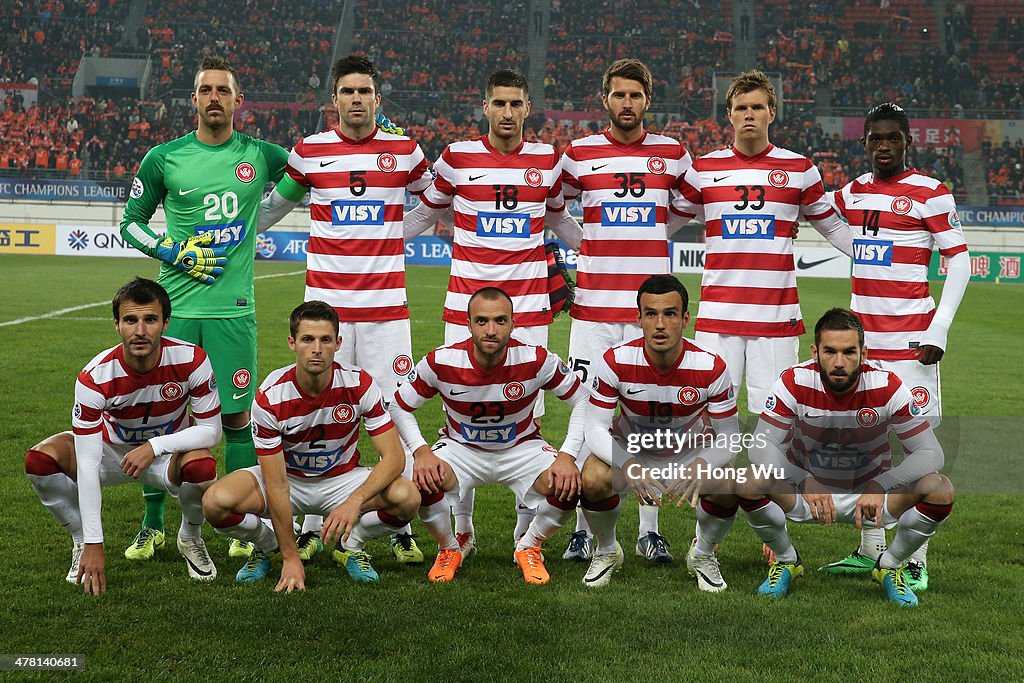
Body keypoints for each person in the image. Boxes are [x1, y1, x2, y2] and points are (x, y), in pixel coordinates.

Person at [258, 54, 433, 565]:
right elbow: (273, 206)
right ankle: (313, 522)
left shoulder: (403, 150)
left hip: (385, 310)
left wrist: (393, 237)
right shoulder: (310, 152)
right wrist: (231, 236)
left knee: (394, 406)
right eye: (348, 91)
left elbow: (435, 202)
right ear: (333, 101)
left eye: (365, 91)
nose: (357, 98)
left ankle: (395, 525)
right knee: (317, 405)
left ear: (378, 98)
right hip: (326, 313)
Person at [403, 69, 582, 555]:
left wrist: (597, 257)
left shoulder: (547, 159)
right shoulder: (458, 157)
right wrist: (376, 241)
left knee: (530, 410)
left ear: (528, 109)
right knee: (458, 405)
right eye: (499, 103)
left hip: (528, 305)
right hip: (467, 305)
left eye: (516, 104)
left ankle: (526, 533)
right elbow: (426, 213)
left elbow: (559, 216)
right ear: (485, 107)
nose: (507, 112)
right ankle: (463, 527)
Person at [119, 56, 290, 562]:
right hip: (175, 313)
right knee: (161, 424)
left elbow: (313, 166)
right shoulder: (164, 158)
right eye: (205, 90)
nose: (215, 97)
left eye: (224, 90)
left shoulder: (260, 154)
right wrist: (172, 251)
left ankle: (239, 523)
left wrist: (370, 133)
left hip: (233, 312)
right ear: (193, 100)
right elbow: (130, 222)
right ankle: (151, 525)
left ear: (239, 101)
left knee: (237, 420)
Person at [818, 102, 969, 590]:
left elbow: (960, 261)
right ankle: (869, 549)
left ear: (908, 141)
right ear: (864, 144)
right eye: (875, 139)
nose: (884, 146)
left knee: (914, 451)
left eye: (893, 138)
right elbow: (824, 218)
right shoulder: (854, 192)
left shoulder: (930, 193)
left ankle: (915, 559)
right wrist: (857, 249)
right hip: (863, 348)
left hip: (912, 346)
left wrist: (939, 327)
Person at [558, 58, 698, 564]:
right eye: (618, 95)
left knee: (647, 415)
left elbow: (691, 203)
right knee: (585, 412)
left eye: (635, 95)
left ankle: (650, 530)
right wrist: (586, 243)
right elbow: (554, 206)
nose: (627, 103)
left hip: (649, 312)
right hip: (594, 310)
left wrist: (657, 234)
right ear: (605, 99)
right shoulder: (580, 154)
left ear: (647, 99)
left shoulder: (672, 153)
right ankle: (581, 526)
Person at [738, 308, 954, 606]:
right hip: (809, 495)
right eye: (830, 351)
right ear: (815, 351)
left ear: (863, 353)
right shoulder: (794, 381)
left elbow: (931, 453)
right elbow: (760, 447)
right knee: (749, 482)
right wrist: (803, 480)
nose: (839, 362)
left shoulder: (886, 385)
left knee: (939, 489)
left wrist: (882, 484)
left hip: (871, 499)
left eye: (849, 352)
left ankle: (889, 565)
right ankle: (787, 560)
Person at [201, 301, 420, 587]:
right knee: (215, 503)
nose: (317, 348)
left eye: (325, 340)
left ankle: (351, 545)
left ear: (338, 343)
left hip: (343, 480)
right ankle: (270, 547)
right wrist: (291, 558)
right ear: (292, 343)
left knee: (408, 497)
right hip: (288, 479)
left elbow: (394, 458)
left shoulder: (360, 384)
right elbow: (277, 483)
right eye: (308, 339)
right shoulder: (270, 395)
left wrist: (354, 502)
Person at [673, 69, 853, 415]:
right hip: (718, 316)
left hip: (775, 318)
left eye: (757, 107)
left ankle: (772, 471)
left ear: (772, 111)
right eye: (741, 108)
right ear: (729, 115)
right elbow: (671, 220)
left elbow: (832, 228)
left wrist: (880, 258)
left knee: (778, 419)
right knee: (705, 416)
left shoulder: (799, 168)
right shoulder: (703, 169)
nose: (749, 114)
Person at [25, 278, 221, 595]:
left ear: (165, 323)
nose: (140, 330)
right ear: (117, 324)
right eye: (130, 320)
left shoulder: (192, 360)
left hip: (165, 456)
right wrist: (93, 541)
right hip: (109, 453)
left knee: (202, 466)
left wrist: (154, 446)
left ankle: (190, 536)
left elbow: (211, 431)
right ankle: (78, 541)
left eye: (150, 320)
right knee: (39, 460)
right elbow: (87, 463)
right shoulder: (95, 376)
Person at [389, 287, 589, 585]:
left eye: (500, 321)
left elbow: (584, 400)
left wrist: (567, 456)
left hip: (522, 448)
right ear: (468, 324)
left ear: (513, 323)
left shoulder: (537, 359)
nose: (491, 330)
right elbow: (399, 405)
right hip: (461, 449)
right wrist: (421, 451)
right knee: (424, 479)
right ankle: (448, 548)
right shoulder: (442, 361)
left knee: (567, 485)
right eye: (481, 321)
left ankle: (529, 545)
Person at [579, 275, 744, 590]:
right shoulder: (615, 361)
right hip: (635, 454)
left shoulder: (711, 367)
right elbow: (595, 427)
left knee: (726, 484)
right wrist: (627, 462)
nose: (660, 323)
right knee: (592, 477)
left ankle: (703, 554)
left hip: (688, 455)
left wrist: (704, 462)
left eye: (669, 314)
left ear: (685, 319)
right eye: (651, 314)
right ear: (638, 318)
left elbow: (730, 437)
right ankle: (607, 550)